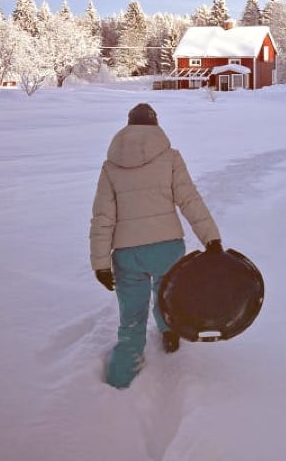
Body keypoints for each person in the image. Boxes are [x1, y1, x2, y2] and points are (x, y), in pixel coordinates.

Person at [90, 102, 222, 389]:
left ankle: (121, 374)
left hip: (127, 254)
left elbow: (102, 217)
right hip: (167, 248)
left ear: (128, 126)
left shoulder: (111, 166)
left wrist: (100, 264)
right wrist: (211, 238)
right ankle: (169, 331)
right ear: (155, 125)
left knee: (132, 318)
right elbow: (190, 200)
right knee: (168, 296)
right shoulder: (170, 158)